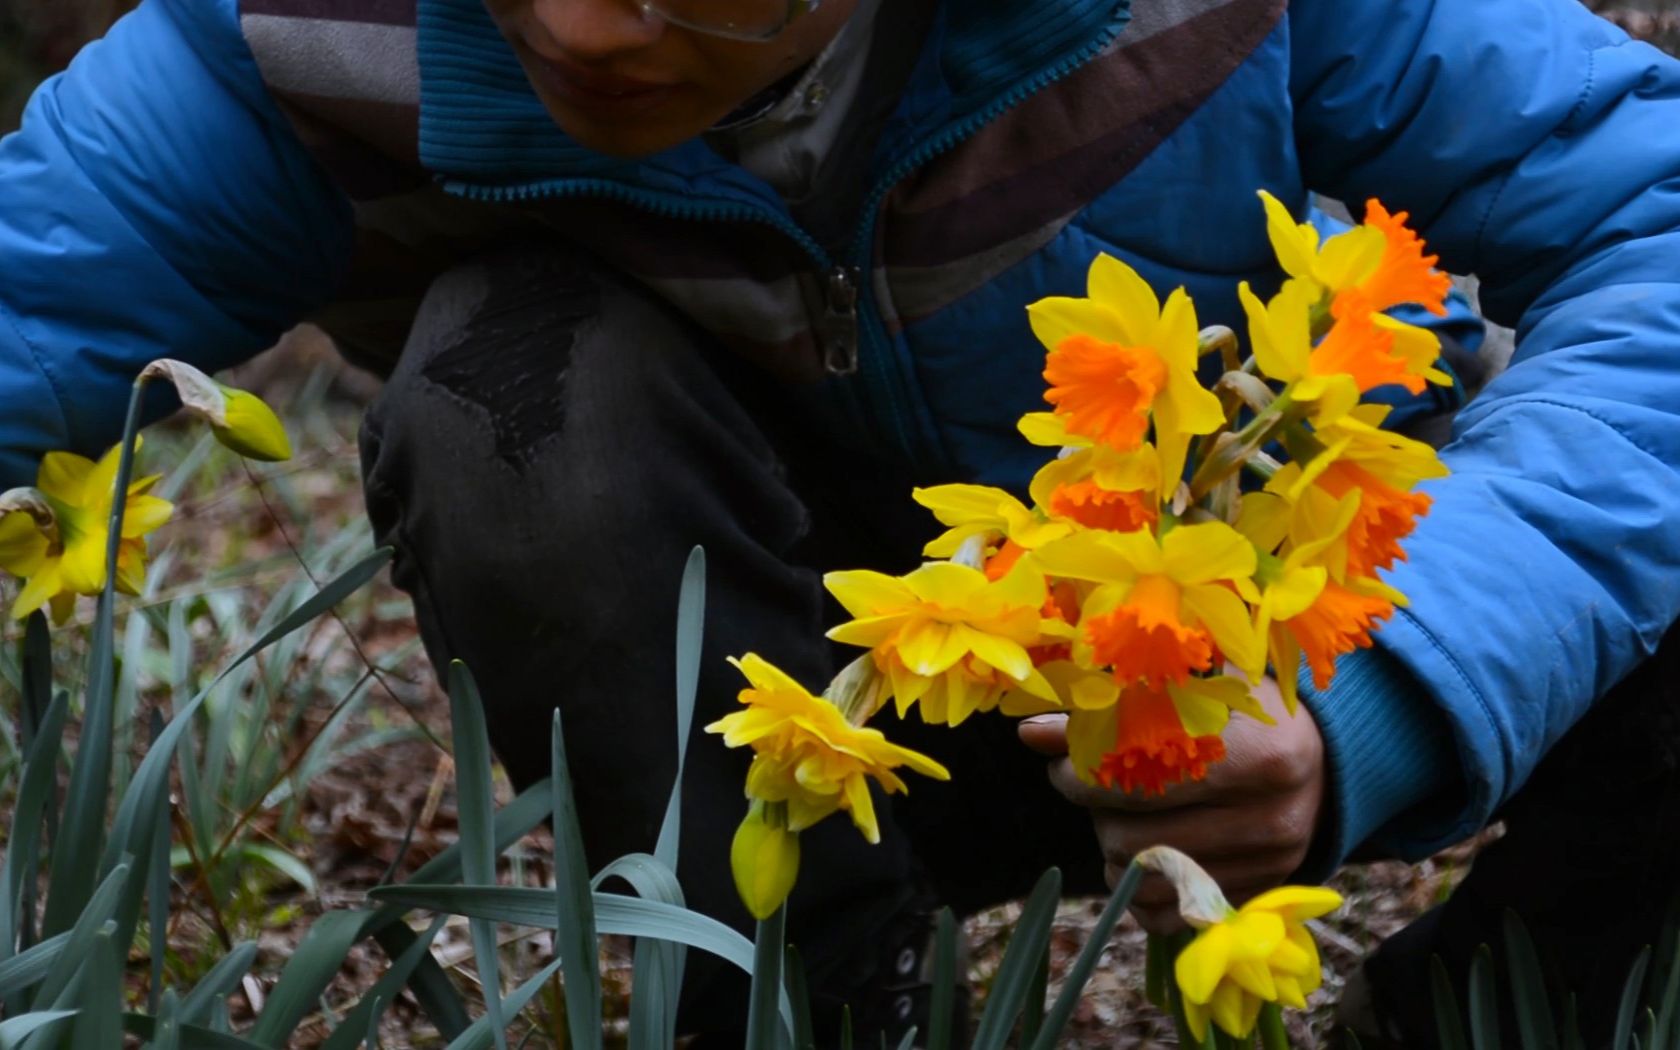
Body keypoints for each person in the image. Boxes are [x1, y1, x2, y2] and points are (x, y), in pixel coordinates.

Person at [1, 0, 1678, 1044]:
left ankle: (1499, 1003)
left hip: (1259, 679)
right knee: (498, 385)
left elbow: (1656, 225)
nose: (583, 27)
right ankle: (790, 988)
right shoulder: (303, 25)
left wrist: (1397, 676)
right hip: (798, 715)